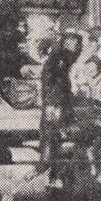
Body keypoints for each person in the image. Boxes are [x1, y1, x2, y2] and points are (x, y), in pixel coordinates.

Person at [38, 31, 82, 190]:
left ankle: (52, 174)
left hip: (55, 105)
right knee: (54, 138)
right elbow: (52, 81)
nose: (76, 46)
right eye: (73, 42)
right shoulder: (59, 58)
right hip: (56, 105)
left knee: (54, 139)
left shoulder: (60, 59)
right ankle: (51, 174)